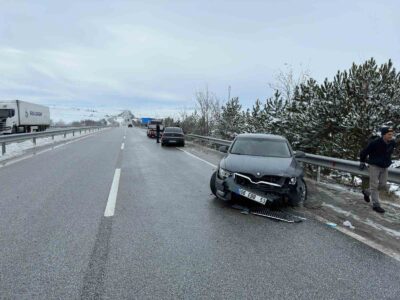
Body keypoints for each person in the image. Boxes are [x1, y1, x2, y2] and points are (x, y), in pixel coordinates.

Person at [359, 126, 396, 213]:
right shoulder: (374, 143)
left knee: (383, 185)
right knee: (374, 185)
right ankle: (376, 205)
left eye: (392, 134)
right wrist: (362, 162)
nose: (391, 136)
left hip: (384, 166)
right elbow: (364, 152)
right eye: (389, 134)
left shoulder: (392, 143)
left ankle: (366, 192)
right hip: (374, 166)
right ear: (383, 135)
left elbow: (389, 153)